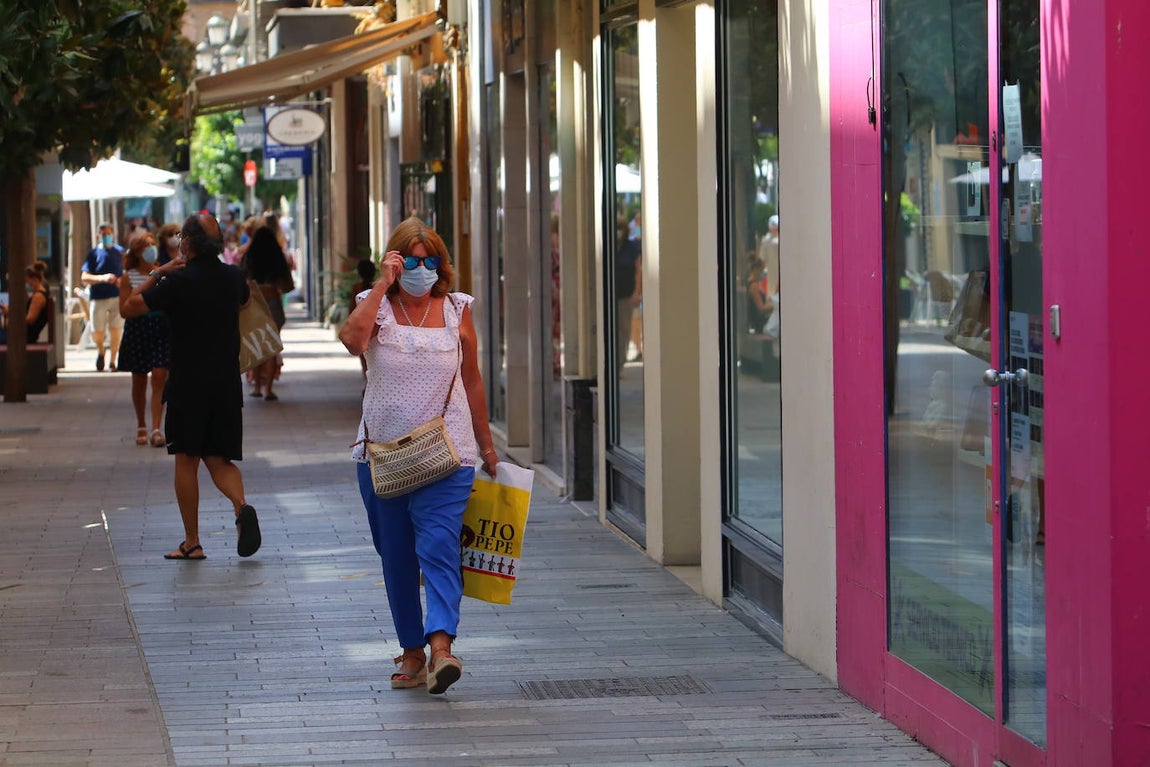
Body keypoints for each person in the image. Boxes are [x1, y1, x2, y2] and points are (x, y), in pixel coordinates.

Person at [339, 217, 498, 696]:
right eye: (410, 260)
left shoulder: (456, 309)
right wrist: (380, 285)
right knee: (397, 557)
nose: (421, 268)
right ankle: (411, 651)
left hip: (449, 454)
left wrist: (488, 447)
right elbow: (352, 341)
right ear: (394, 261)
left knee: (440, 547)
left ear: (442, 265)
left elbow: (472, 380)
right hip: (383, 457)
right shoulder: (376, 307)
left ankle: (441, 647)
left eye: (430, 260)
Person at [119, 212, 261, 562]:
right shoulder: (232, 276)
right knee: (218, 458)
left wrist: (159, 273)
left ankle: (192, 542)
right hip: (225, 383)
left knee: (186, 459)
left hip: (187, 383)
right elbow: (245, 301)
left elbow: (129, 307)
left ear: (189, 243)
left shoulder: (177, 281)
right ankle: (241, 507)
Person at [117, 233, 171, 447]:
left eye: (152, 245)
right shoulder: (128, 277)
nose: (151, 249)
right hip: (138, 329)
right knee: (139, 378)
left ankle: (156, 428)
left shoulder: (163, 272)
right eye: (146, 246)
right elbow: (124, 310)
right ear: (137, 252)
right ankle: (141, 423)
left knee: (159, 375)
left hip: (161, 328)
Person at [242, 226, 295, 401]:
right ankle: (269, 390)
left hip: (254, 304)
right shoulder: (278, 259)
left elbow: (241, 281)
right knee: (272, 347)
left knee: (255, 344)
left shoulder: (249, 257)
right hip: (273, 303)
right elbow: (288, 287)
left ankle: (257, 387)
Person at [82, 222, 125, 371]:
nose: (107, 236)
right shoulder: (93, 254)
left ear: (113, 234)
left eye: (109, 233)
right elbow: (84, 277)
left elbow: (128, 272)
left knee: (116, 329)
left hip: (117, 296)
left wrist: (122, 281)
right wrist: (102, 278)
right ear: (98, 236)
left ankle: (113, 361)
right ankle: (101, 351)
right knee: (97, 331)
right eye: (104, 234)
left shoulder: (121, 252)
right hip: (98, 297)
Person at [614, 217, 642, 371]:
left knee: (624, 330)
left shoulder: (631, 247)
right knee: (612, 330)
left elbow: (638, 271)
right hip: (611, 295)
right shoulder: (609, 246)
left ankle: (619, 362)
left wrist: (636, 292)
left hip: (626, 295)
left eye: (620, 228)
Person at [0, 262, 51, 344]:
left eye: (27, 280)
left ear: (34, 279)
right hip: (23, 334)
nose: (27, 283)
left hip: (24, 337)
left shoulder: (38, 297)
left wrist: (10, 313)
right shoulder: (38, 294)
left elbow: (30, 319)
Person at [746, 254, 772, 335]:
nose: (762, 273)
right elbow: (761, 308)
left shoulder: (752, 283)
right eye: (761, 270)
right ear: (756, 269)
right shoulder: (754, 286)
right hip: (758, 324)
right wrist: (775, 305)